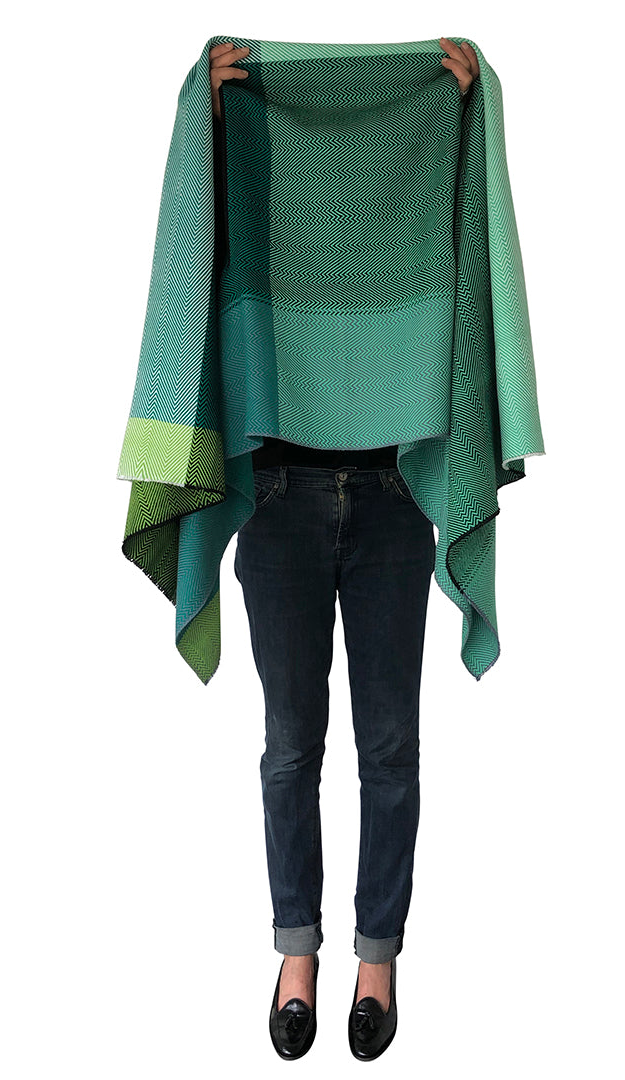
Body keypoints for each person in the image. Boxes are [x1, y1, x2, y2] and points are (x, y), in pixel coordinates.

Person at [210, 37, 481, 1060]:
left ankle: (377, 957)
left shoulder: (410, 168)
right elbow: (211, 249)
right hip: (277, 493)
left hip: (390, 492)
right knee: (291, 744)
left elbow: (453, 234)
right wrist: (213, 123)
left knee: (389, 744)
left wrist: (458, 117)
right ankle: (296, 953)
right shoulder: (258, 160)